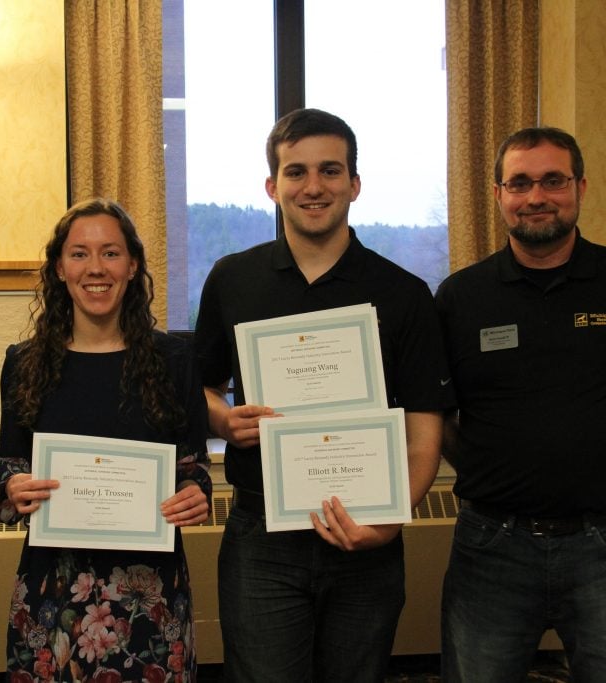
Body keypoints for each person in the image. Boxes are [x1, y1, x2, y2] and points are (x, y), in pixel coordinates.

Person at [193, 108, 452, 682]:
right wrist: (223, 421)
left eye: (331, 171)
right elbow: (203, 387)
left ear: (355, 184)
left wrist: (389, 520)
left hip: (367, 535)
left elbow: (423, 431)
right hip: (262, 537)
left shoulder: (403, 294)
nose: (314, 187)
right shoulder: (232, 279)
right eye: (296, 172)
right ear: (272, 186)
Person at [435, 127, 606, 682]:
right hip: (491, 545)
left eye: (553, 181)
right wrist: (488, 470)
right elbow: (437, 416)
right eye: (521, 183)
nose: (536, 197)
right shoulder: (461, 296)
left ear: (580, 186)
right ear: (499, 194)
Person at [0, 198, 212, 682]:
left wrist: (196, 495)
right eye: (79, 253)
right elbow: (8, 463)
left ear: (132, 266)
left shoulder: (173, 360)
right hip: (53, 591)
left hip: (148, 595)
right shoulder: (24, 362)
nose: (95, 268)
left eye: (110, 253)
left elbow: (193, 468)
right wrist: (14, 485)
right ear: (59, 268)